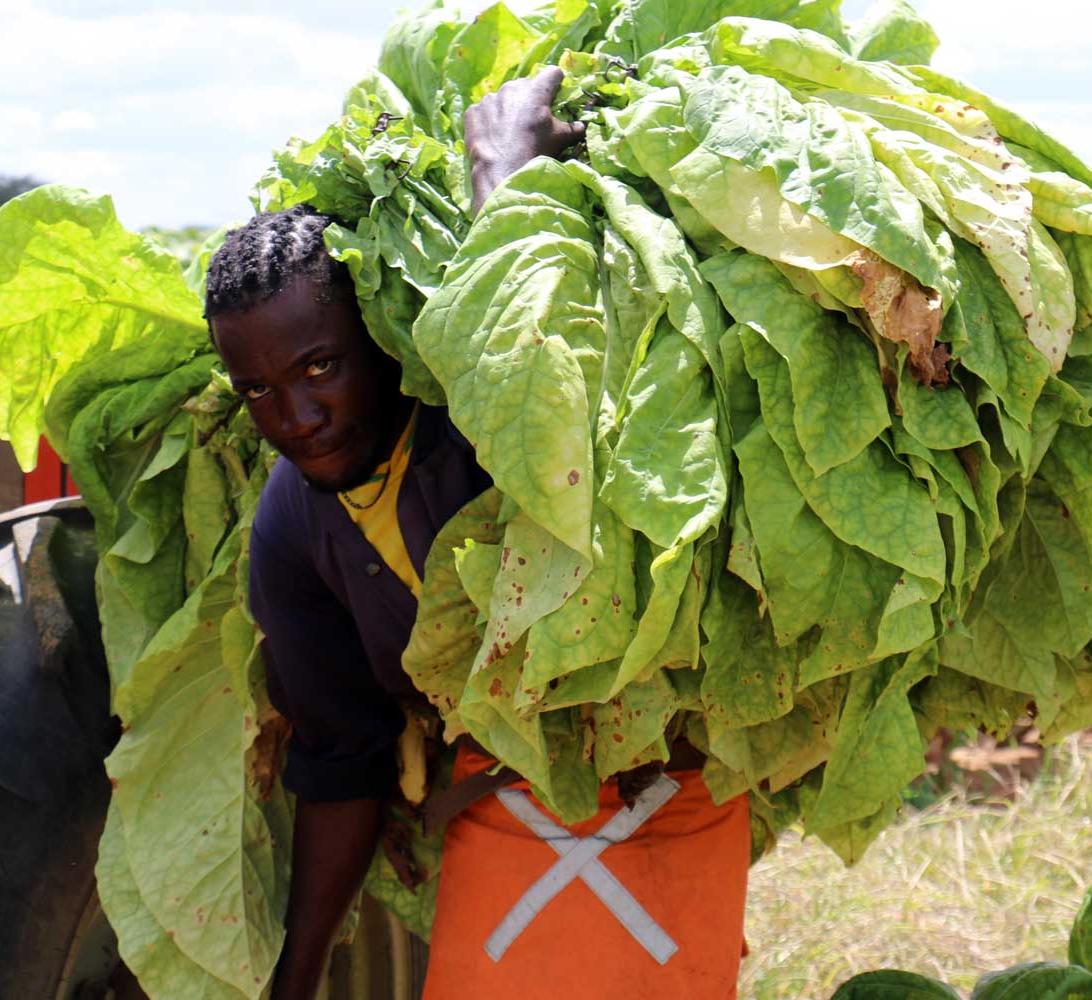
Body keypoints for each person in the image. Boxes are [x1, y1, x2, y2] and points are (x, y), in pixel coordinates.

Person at [205, 68, 751, 1000]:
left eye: (320, 366)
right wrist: (294, 981)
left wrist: (502, 179)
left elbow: (545, 400)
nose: (295, 416)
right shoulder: (293, 529)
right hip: (503, 801)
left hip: (670, 789)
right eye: (258, 389)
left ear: (381, 337)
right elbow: (343, 760)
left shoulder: (474, 423)